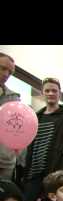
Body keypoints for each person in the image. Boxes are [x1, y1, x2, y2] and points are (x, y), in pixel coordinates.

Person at [24, 78, 63, 201]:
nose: (50, 93)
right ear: (42, 93)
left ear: (59, 94)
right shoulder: (36, 117)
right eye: (47, 90)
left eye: (54, 91)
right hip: (34, 174)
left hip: (58, 173)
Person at [0, 53, 20, 181]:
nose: (6, 74)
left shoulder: (14, 98)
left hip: (6, 161)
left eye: (10, 72)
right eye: (2, 68)